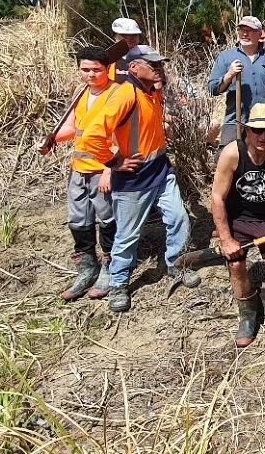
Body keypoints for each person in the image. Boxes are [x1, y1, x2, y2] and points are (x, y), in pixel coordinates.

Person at [76, 45, 199, 313]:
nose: (158, 68)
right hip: (133, 180)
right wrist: (113, 162)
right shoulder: (124, 95)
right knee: (128, 235)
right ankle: (119, 284)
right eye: (151, 64)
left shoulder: (150, 91)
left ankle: (175, 266)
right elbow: (91, 136)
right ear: (133, 68)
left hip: (160, 171)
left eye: (159, 63)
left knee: (178, 218)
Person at [210, 103, 265, 347]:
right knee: (236, 262)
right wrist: (225, 238)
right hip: (237, 217)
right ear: (247, 131)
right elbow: (217, 197)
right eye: (257, 131)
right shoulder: (232, 153)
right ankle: (248, 314)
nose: (263, 137)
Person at [40, 46, 117, 301]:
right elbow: (73, 128)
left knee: (107, 219)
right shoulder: (80, 93)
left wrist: (109, 170)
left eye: (97, 69)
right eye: (85, 69)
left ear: (107, 69)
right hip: (78, 168)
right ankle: (86, 267)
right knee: (78, 220)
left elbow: (120, 138)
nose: (91, 74)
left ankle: (109, 266)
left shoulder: (116, 94)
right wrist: (51, 140)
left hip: (102, 169)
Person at [208, 15, 265, 144]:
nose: (245, 34)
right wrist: (229, 75)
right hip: (236, 121)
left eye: (250, 30)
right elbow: (213, 88)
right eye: (242, 30)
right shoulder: (226, 57)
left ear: (259, 34)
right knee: (228, 158)